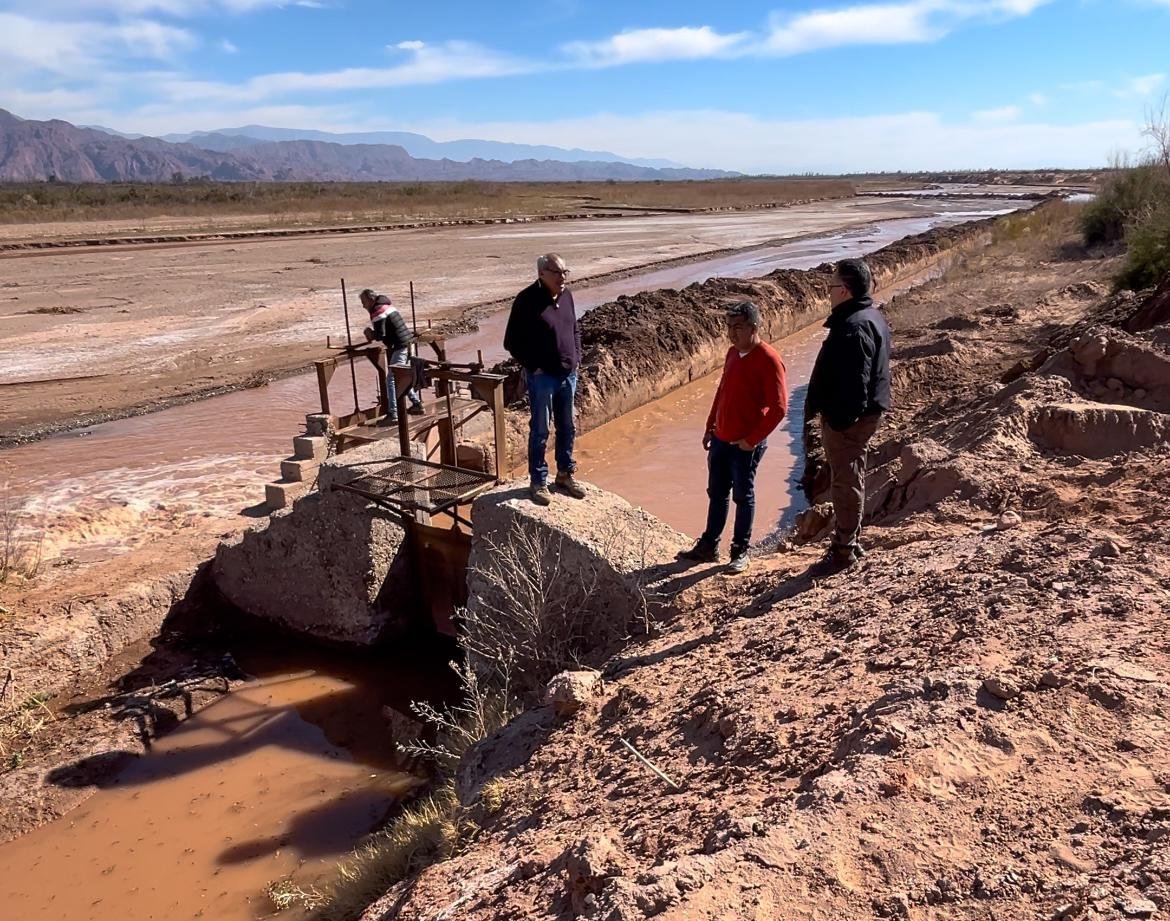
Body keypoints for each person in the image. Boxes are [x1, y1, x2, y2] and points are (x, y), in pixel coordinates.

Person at [681, 301, 788, 574]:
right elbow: (722, 392)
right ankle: (709, 545)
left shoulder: (769, 359)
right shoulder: (731, 354)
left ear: (753, 327)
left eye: (737, 327)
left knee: (743, 496)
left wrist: (751, 440)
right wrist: (710, 426)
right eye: (729, 328)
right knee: (717, 493)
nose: (732, 333)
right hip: (720, 438)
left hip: (744, 445)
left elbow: (779, 408)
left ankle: (740, 551)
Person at [804, 258, 891, 569]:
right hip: (862, 415)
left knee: (845, 481)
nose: (828, 293)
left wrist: (840, 422)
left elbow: (856, 383)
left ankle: (844, 549)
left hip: (851, 421)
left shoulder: (854, 326)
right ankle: (850, 538)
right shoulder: (869, 317)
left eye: (830, 287)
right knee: (850, 477)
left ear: (843, 290)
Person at [503, 252, 586, 506]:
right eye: (557, 272)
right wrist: (534, 367)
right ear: (542, 273)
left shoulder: (567, 295)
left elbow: (573, 328)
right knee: (540, 429)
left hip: (567, 374)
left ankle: (564, 474)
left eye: (565, 272)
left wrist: (577, 358)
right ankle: (538, 481)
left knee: (567, 426)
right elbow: (511, 342)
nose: (563, 277)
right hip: (542, 378)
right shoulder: (526, 301)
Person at [359, 288, 423, 423]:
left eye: (364, 302)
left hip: (401, 347)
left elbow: (379, 335)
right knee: (403, 377)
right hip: (407, 344)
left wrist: (368, 332)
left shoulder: (378, 311)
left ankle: (393, 414)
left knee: (392, 379)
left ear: (371, 300)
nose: (363, 305)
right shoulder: (386, 305)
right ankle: (416, 404)